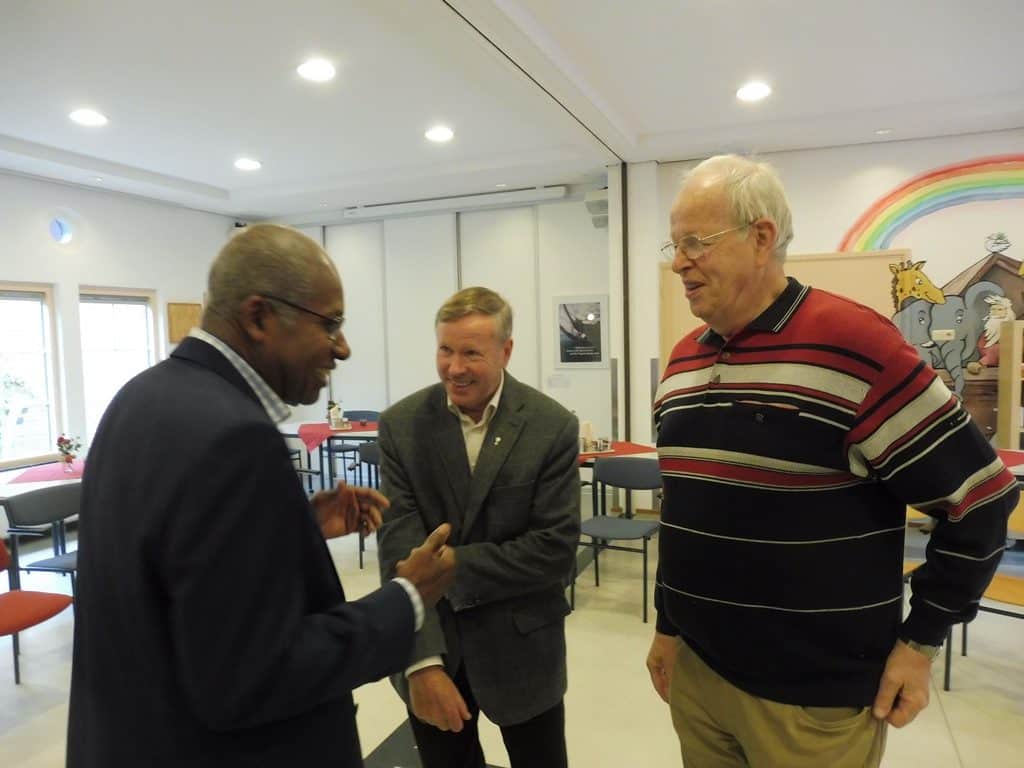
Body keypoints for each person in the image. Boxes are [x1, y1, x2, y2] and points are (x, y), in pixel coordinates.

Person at [647, 155, 1019, 767]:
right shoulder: (684, 359)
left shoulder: (857, 346)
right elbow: (686, 512)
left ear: (761, 237)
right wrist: (667, 626)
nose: (679, 261)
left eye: (696, 243)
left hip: (811, 707)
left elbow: (980, 501)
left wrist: (919, 644)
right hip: (698, 678)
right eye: (674, 243)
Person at [67, 224, 456, 768]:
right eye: (331, 323)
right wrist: (406, 598)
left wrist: (287, 525)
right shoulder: (235, 437)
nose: (342, 347)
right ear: (258, 317)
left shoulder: (139, 397)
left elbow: (174, 571)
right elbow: (254, 678)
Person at [376, 286, 580, 768]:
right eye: (445, 350)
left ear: (506, 351)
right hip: (436, 649)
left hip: (525, 651)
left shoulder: (551, 426)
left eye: (471, 353)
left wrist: (445, 566)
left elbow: (554, 550)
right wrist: (421, 664)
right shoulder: (401, 426)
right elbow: (398, 548)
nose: (454, 367)